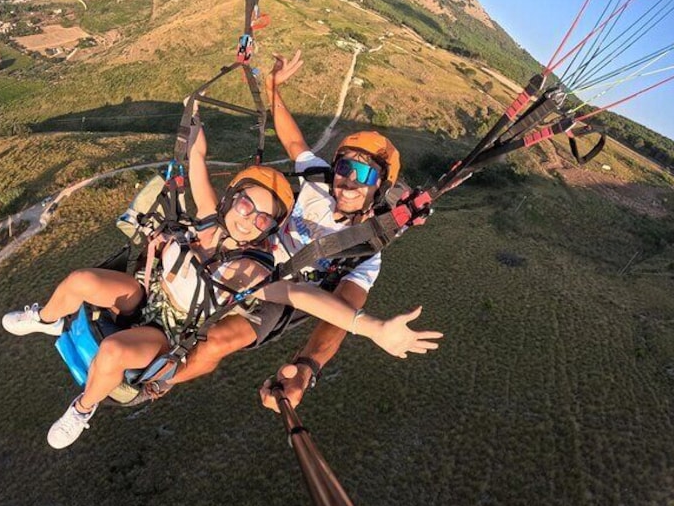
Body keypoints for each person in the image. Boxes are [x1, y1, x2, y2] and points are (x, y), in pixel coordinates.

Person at [2, 117, 440, 449]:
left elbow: (304, 296)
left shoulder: (257, 269)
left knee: (124, 351)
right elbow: (202, 174)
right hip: (148, 294)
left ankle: (84, 408)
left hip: (168, 329)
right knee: (79, 281)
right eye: (246, 205)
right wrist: (195, 131)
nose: (250, 218)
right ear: (234, 200)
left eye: (263, 217)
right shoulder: (220, 222)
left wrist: (372, 328)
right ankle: (46, 318)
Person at [126, 50, 442, 406]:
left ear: (380, 187)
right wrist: (273, 89)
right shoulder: (318, 182)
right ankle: (130, 308)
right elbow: (293, 141)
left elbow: (337, 318)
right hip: (249, 246)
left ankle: (156, 383)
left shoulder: (364, 252)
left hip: (282, 291)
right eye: (344, 169)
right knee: (179, 231)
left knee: (220, 340)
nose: (349, 182)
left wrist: (306, 368)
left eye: (365, 174)